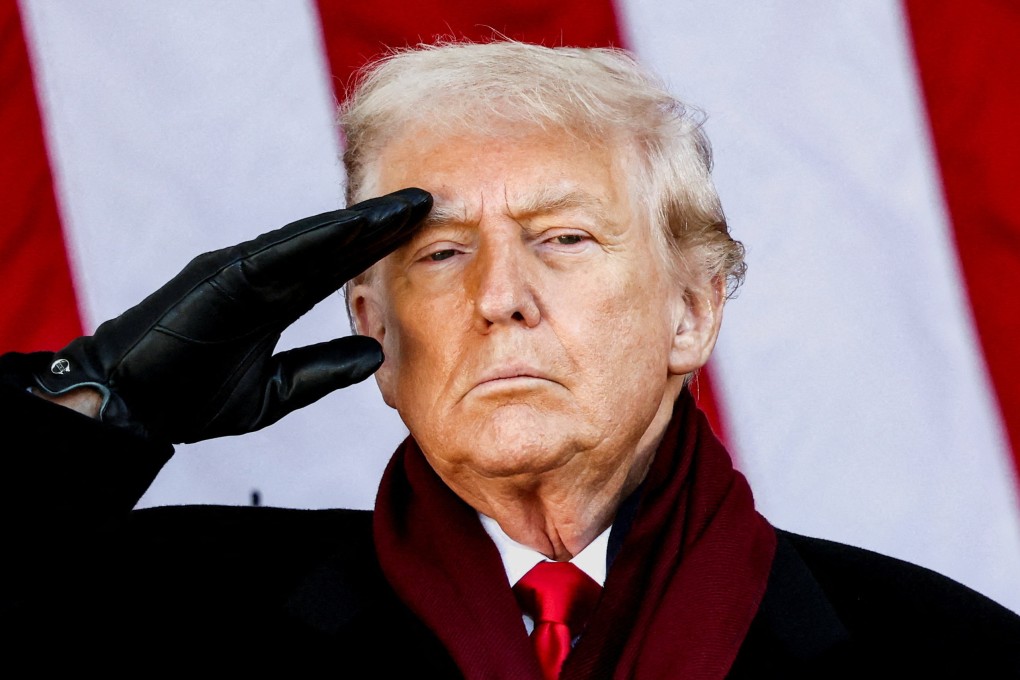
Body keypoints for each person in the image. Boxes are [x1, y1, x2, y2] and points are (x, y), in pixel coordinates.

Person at [1, 41, 1018, 677]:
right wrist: (95, 407)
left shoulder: (944, 650)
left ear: (693, 312)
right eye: (441, 253)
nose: (499, 295)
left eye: (564, 238)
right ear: (377, 331)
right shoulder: (164, 610)